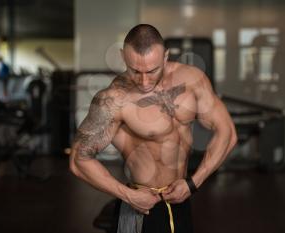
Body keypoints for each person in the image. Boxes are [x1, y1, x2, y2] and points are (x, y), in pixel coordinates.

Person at [69, 24, 237, 233]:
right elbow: (79, 159)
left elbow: (227, 132)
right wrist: (128, 195)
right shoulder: (113, 99)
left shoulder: (193, 80)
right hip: (141, 206)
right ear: (123, 57)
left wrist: (193, 183)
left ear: (165, 57)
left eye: (152, 70)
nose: (144, 81)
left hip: (181, 198)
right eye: (135, 71)